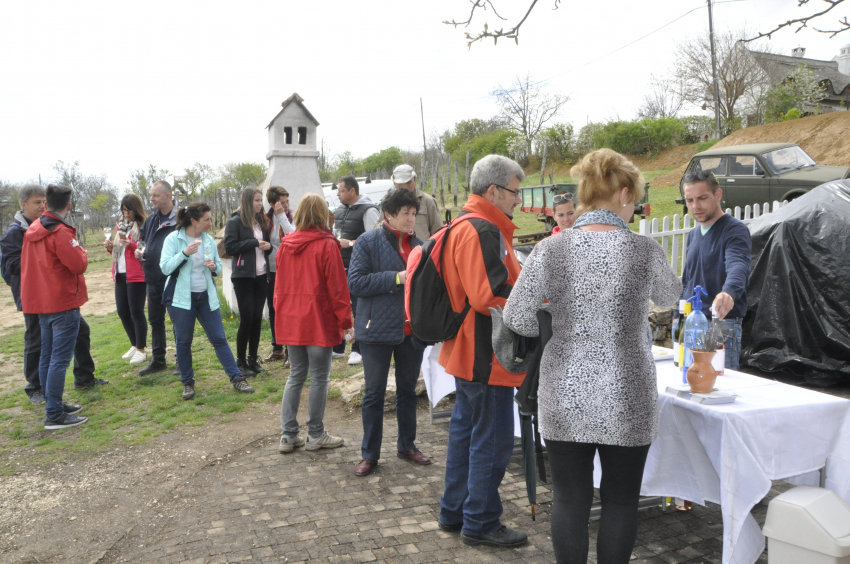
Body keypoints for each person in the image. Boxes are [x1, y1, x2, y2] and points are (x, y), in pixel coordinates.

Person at [503, 149, 682, 564]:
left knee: (569, 500)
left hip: (565, 392)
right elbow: (671, 296)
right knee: (620, 501)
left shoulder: (552, 250)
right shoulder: (643, 249)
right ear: (622, 194)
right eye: (634, 196)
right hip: (628, 393)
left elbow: (518, 319)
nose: (635, 204)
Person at [436, 154, 528, 548]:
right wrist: (536, 300)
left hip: (470, 352)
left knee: (466, 434)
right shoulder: (483, 229)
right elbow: (488, 293)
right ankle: (481, 521)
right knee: (491, 439)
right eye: (514, 192)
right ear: (494, 190)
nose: (517, 201)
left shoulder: (466, 224)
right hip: (486, 354)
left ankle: (455, 512)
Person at [347, 188, 431, 477]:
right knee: (374, 394)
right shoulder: (367, 242)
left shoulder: (420, 245)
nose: (411, 218)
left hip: (410, 331)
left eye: (413, 213)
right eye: (406, 213)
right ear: (389, 214)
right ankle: (369, 454)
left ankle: (407, 445)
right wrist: (397, 277)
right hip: (375, 329)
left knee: (408, 391)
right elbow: (356, 283)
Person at [1, 184, 105, 404]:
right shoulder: (16, 232)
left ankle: (84, 377)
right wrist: (44, 262)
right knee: (36, 342)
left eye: (42, 202)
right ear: (23, 204)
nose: (41, 206)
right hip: (34, 295)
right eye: (36, 202)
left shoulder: (46, 225)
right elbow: (10, 267)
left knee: (80, 331)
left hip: (56, 295)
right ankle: (36, 388)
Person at [275, 194, 351, 453]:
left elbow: (279, 286)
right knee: (319, 377)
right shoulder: (327, 245)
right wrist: (346, 322)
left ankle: (288, 434)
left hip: (292, 319)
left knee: (296, 375)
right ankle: (316, 434)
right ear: (322, 215)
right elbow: (338, 289)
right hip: (318, 319)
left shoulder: (286, 244)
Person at [160, 202, 255, 400]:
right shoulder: (173, 239)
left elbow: (219, 269)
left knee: (219, 338)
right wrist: (185, 253)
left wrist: (213, 267)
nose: (211, 223)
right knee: (184, 341)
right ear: (194, 221)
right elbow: (165, 268)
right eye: (207, 220)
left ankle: (237, 378)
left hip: (205, 297)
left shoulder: (209, 240)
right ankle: (188, 382)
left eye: (211, 219)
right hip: (181, 300)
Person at [20, 184, 92, 429]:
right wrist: (82, 250)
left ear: (47, 204)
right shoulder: (60, 232)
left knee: (47, 356)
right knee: (59, 360)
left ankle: (54, 404)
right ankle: (54, 414)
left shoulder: (34, 227)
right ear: (68, 206)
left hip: (43, 303)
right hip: (62, 303)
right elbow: (78, 265)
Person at [680, 170, 752, 370]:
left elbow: (739, 265)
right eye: (690, 200)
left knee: (720, 390)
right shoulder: (693, 234)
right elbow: (688, 280)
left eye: (702, 198)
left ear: (718, 195)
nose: (696, 206)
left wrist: (728, 293)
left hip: (721, 325)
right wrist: (678, 316)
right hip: (691, 325)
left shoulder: (734, 230)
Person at [332, 175, 381, 366]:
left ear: (352, 191)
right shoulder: (340, 210)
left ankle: (358, 348)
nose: (337, 194)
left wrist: (350, 243)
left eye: (341, 191)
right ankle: (338, 347)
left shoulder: (368, 210)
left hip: (359, 268)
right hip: (341, 265)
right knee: (341, 306)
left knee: (359, 308)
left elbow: (375, 240)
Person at [224, 187, 272, 376]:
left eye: (261, 200)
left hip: (261, 275)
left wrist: (268, 247)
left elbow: (265, 247)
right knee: (246, 319)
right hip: (243, 277)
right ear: (247, 202)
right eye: (257, 201)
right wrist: (253, 242)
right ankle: (240, 362)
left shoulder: (261, 222)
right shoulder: (235, 222)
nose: (260, 204)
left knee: (257, 319)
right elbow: (230, 247)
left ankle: (253, 359)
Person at [135, 180, 178, 376]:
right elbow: (142, 240)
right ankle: (159, 359)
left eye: (156, 195)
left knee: (178, 320)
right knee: (155, 320)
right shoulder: (151, 220)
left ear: (168, 196)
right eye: (151, 195)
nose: (151, 198)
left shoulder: (180, 219)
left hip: (174, 278)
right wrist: (140, 250)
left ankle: (182, 359)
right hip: (152, 277)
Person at [105, 194, 148, 366]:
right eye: (123, 210)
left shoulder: (143, 226)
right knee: (122, 311)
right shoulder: (121, 227)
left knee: (136, 312)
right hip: (120, 273)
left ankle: (141, 350)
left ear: (136, 209)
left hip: (136, 274)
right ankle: (135, 343)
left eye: (129, 210)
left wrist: (130, 245)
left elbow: (144, 249)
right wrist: (111, 247)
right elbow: (117, 252)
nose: (126, 213)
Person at [262, 185, 295, 364]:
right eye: (282, 202)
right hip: (269, 270)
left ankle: (291, 351)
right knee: (273, 310)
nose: (286, 205)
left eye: (287, 201)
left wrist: (282, 216)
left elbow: (292, 235)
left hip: (287, 271)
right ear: (273, 204)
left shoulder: (292, 217)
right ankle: (277, 348)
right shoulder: (264, 219)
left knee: (287, 310)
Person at [390, 164, 442, 241]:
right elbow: (379, 226)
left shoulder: (428, 201)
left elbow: (438, 231)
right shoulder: (389, 202)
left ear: (414, 179)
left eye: (408, 182)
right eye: (400, 183)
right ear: (394, 183)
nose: (404, 186)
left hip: (423, 251)